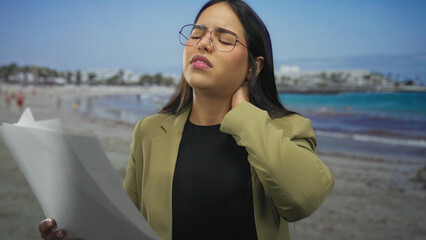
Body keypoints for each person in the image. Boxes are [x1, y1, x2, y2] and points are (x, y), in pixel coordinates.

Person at [39, 1, 334, 239]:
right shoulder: (149, 132)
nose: (204, 43)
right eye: (197, 33)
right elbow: (128, 227)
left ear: (252, 68)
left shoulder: (286, 128)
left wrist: (244, 114)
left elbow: (303, 199)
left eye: (224, 38)